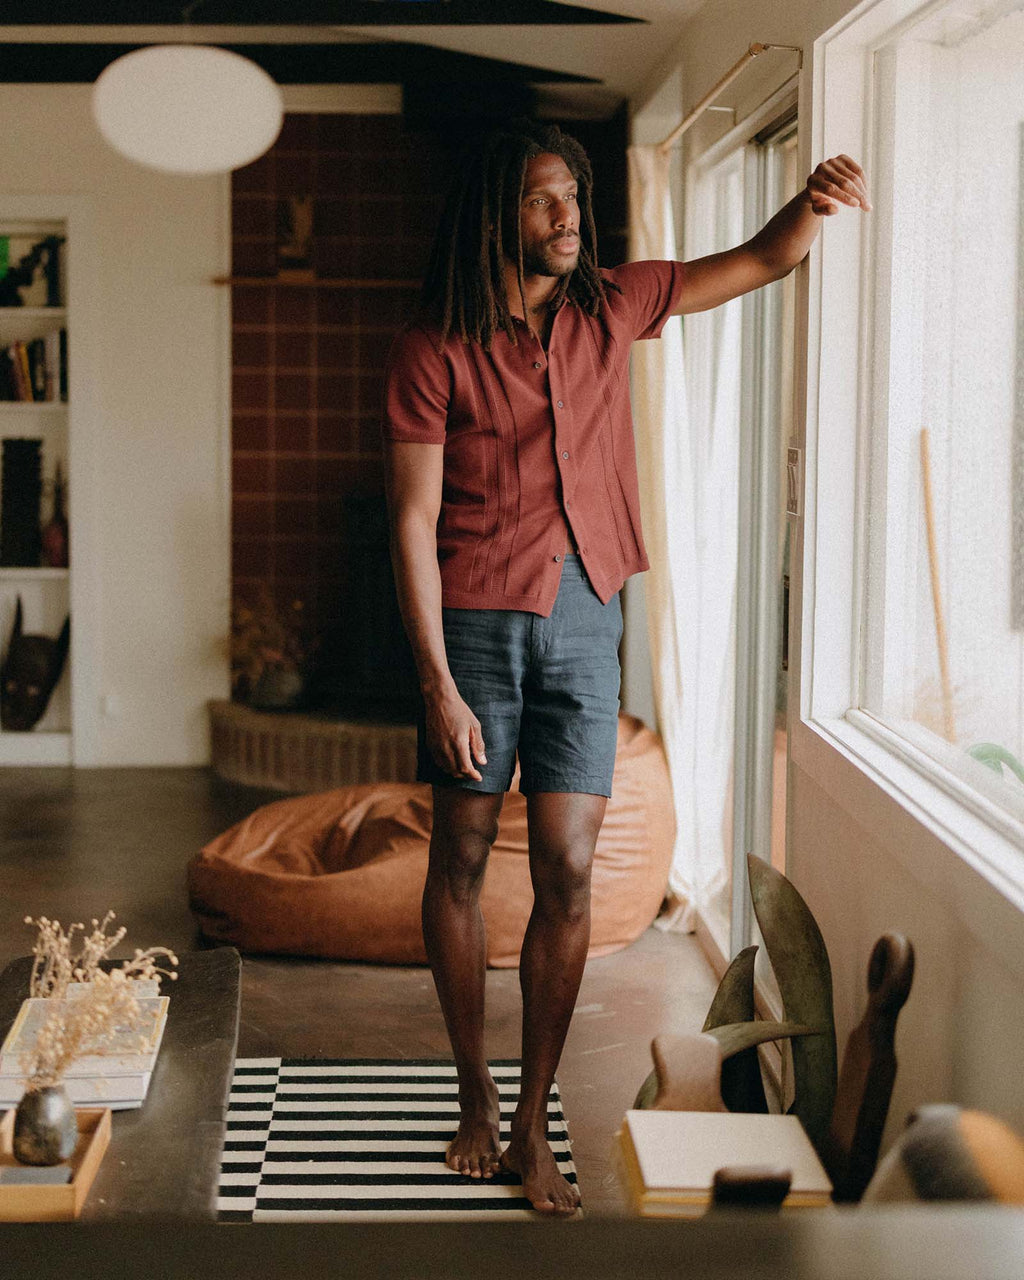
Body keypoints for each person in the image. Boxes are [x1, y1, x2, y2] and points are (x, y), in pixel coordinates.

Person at [381, 119, 870, 1216]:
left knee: (568, 863)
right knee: (457, 853)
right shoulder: (434, 344)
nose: (568, 220)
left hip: (587, 618)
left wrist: (812, 198)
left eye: (574, 200)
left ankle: (531, 1118)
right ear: (498, 214)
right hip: (472, 622)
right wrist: (437, 683)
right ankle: (473, 1099)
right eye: (544, 202)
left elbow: (754, 260)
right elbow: (412, 519)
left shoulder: (613, 301)